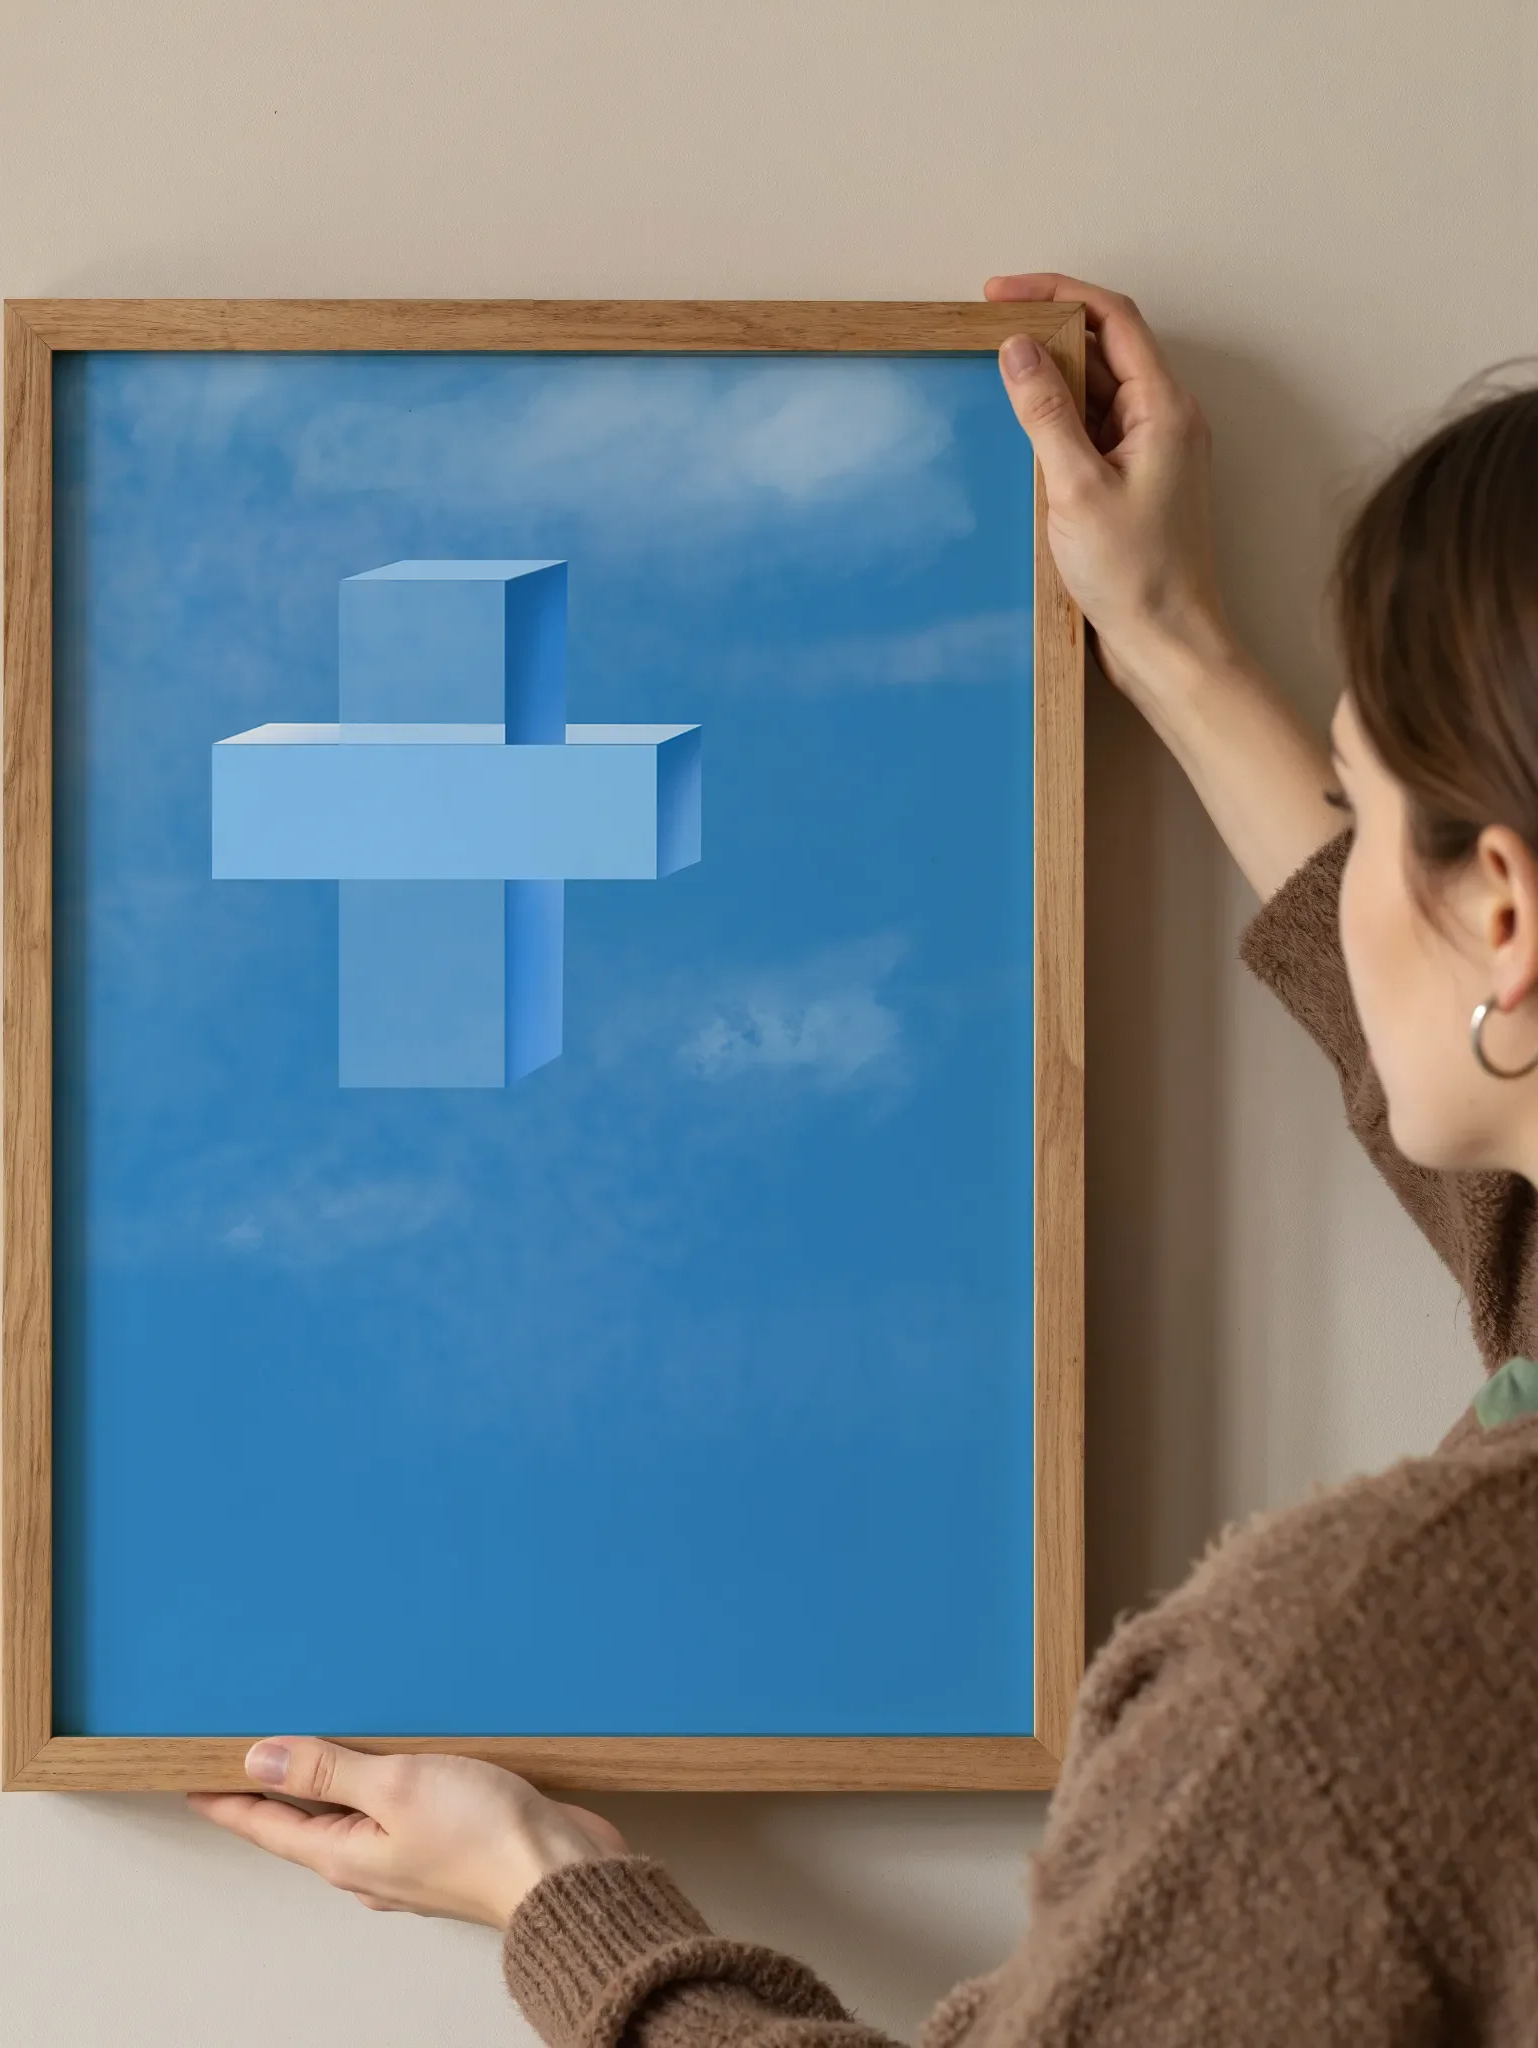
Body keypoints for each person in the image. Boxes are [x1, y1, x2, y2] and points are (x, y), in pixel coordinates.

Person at [190, 272, 1538, 2044]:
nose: (1343, 875)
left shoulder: (1377, 1667)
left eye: (1362, 816)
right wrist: (1166, 638)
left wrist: (554, 1898)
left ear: (1502, 908)